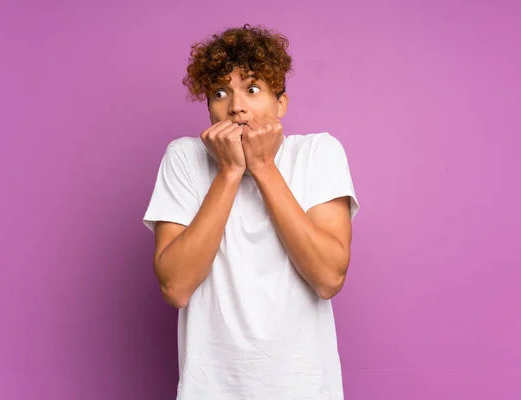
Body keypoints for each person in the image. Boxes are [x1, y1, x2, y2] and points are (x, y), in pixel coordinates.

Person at [143, 24, 360, 400]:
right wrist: (229, 171)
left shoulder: (318, 154)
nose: (237, 106)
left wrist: (262, 167)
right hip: (210, 388)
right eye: (220, 93)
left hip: (304, 387)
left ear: (281, 103)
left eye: (253, 89)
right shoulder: (184, 157)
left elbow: (328, 277)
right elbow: (175, 287)